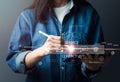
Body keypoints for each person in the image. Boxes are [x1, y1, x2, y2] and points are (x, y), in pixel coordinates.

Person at [6, 0, 106, 82]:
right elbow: (14, 61)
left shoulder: (89, 13)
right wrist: (41, 51)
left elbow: (97, 56)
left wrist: (92, 66)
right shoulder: (27, 16)